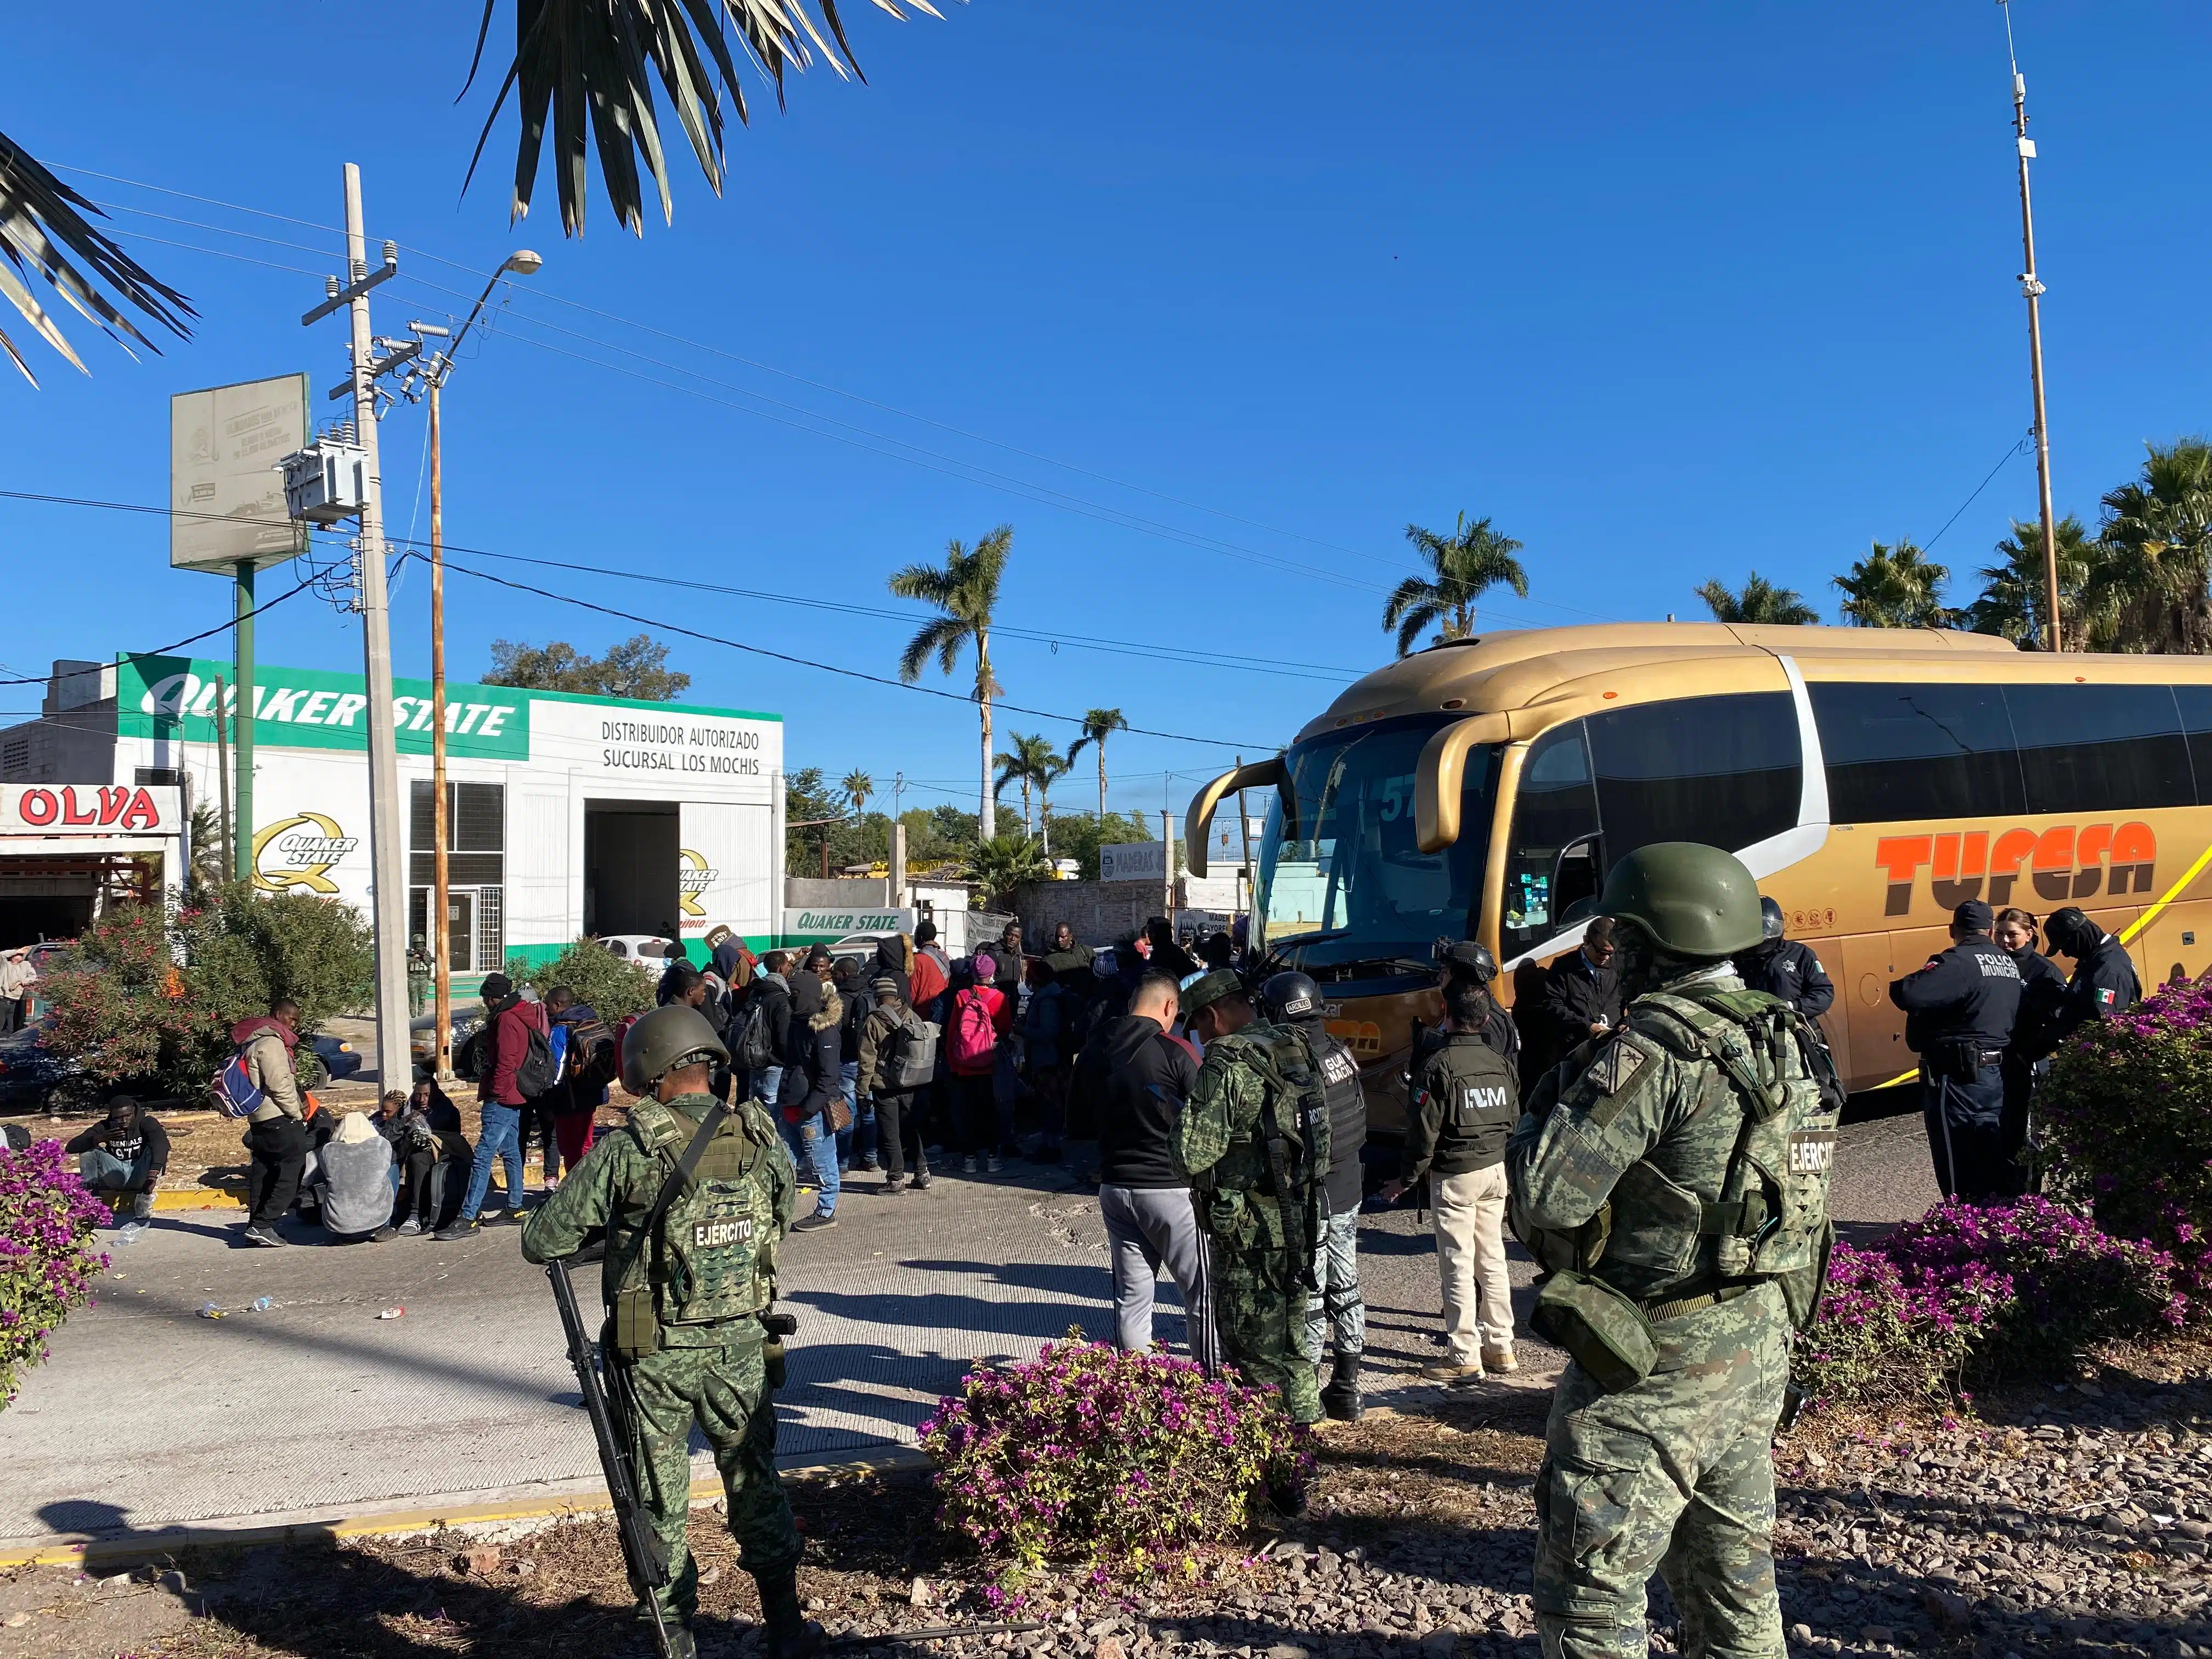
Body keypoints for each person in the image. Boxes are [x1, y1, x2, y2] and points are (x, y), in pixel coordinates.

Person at [1507, 842, 1837, 1659]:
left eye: (1618, 940)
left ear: (1646, 943)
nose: (1611, 956)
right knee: (1735, 1583)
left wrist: (1535, 1121)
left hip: (1656, 1353)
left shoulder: (1654, 1050)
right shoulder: (1786, 1032)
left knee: (1590, 1597)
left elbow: (1550, 1194)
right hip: (1760, 1336)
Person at [520, 1003, 820, 1659]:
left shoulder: (632, 1148)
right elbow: (780, 1220)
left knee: (657, 1494)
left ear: (651, 1073)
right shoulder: (763, 1138)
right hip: (743, 1344)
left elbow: (543, 1240)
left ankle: (675, 1637)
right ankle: (788, 1628)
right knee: (755, 1480)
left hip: (651, 1353)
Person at [1172, 968, 1328, 1426]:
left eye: (1198, 1026)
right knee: (1295, 1347)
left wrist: (1176, 1117)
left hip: (1248, 1233)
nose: (1200, 1037)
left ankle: (1272, 1472)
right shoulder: (1293, 1046)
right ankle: (1305, 1445)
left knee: (1253, 1356)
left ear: (1213, 1015)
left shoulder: (1228, 1063)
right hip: (1299, 1215)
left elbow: (1190, 1155)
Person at [1074, 970, 1218, 1366]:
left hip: (1115, 1187)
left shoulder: (1093, 1049)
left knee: (1132, 1300)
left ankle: (1136, 1393)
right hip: (1171, 1190)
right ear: (1170, 1006)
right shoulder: (1174, 1051)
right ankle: (1214, 1392)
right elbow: (1207, 1123)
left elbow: (1078, 1124)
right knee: (1204, 1295)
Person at [1384, 979, 1521, 1385]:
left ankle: (1463, 1355)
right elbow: (1514, 1118)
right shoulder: (1501, 1063)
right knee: (1493, 1259)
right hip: (1496, 1171)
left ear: (1446, 1011)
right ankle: (1502, 1348)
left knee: (1458, 1264)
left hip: (1456, 1175)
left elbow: (1422, 1133)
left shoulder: (1437, 1065)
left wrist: (1405, 1180)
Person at [1259, 970, 1368, 1420]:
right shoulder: (1339, 1051)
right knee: (1346, 1281)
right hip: (1350, 1186)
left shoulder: (1292, 1063)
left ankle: (1307, 1396)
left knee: (1310, 1291)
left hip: (1314, 1195)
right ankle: (1348, 1386)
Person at [1891, 899, 2024, 1201]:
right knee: (1989, 1152)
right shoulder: (2005, 962)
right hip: (1992, 1073)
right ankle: (1992, 1224)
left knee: (1956, 1160)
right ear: (1990, 930)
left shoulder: (1958, 962)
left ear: (1953, 929)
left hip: (1957, 1075)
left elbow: (1907, 992)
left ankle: (1960, 1230)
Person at [438, 972, 547, 1239]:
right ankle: (514, 1207)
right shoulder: (518, 1013)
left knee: (484, 1154)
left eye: (485, 997)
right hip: (515, 1093)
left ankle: (468, 1217)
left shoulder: (506, 1019)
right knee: (510, 1151)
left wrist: (496, 1092)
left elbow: (507, 1062)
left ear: (490, 998)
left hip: (503, 1095)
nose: (485, 1002)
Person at [1995, 907, 2066, 1195]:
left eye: (2012, 934)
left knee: (2026, 1133)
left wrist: (2030, 1052)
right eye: (1999, 934)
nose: (2005, 941)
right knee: (2003, 1131)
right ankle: (2003, 1192)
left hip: (2027, 1062)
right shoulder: (1994, 963)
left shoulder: (2043, 970)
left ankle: (2028, 1197)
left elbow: (2058, 1019)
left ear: (2029, 934)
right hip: (1999, 1061)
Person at [235, 998, 307, 1248]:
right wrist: (296, 1113)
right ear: (278, 1015)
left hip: (258, 1119)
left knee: (263, 1172)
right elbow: (279, 1084)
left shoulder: (252, 1042)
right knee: (292, 1170)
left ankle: (255, 1225)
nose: (294, 1024)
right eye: (292, 1018)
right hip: (278, 1116)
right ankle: (264, 1225)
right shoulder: (272, 1043)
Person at [778, 949, 843, 1229]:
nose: (789, 998)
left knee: (821, 1162)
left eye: (794, 994)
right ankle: (775, 1209)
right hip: (793, 1103)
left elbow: (829, 1079)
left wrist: (808, 1108)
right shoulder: (797, 1022)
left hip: (811, 1108)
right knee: (784, 1162)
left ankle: (827, 1210)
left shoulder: (824, 1029)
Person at [855, 970, 933, 1192]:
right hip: (912, 1084)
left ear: (878, 998)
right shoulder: (911, 1015)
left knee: (891, 1134)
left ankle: (896, 1180)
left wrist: (862, 1090)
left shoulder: (873, 1020)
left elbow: (866, 1059)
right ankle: (922, 1173)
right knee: (912, 1129)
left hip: (885, 1086)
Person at [947, 952, 1015, 1173]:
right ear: (992, 973)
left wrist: (952, 1059)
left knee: (968, 1113)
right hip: (990, 1063)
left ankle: (969, 1160)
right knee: (991, 1111)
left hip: (964, 1065)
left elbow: (953, 1031)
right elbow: (1005, 1030)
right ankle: (993, 1159)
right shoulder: (999, 998)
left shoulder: (961, 996)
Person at [1531, 918, 1622, 1081]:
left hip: (1613, 1050)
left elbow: (1632, 999)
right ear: (1586, 940)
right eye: (1601, 952)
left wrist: (1625, 1024)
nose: (1606, 958)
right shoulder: (1563, 967)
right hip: (1575, 1051)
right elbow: (1552, 1005)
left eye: (1611, 953)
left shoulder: (1619, 967)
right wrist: (1587, 1027)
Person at [2040, 905, 2143, 1044]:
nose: (2066, 954)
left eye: (2064, 945)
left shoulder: (2106, 971)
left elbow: (2101, 1025)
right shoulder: (2101, 958)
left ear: (2079, 935)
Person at [66, 1096, 170, 1220]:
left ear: (134, 1112)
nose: (124, 1121)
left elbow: (161, 1144)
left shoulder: (147, 1122)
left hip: (140, 1174)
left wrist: (153, 1174)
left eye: (128, 1116)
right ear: (112, 1115)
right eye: (118, 1118)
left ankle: (143, 1201)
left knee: (155, 1146)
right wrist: (100, 1138)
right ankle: (91, 1199)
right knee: (89, 1151)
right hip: (115, 1175)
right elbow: (71, 1147)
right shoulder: (105, 1126)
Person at [1732, 898, 1836, 1021]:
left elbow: (1823, 993)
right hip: (1754, 1030)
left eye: (1768, 929)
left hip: (1794, 1028)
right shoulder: (1734, 958)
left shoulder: (1800, 954)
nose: (1763, 936)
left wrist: (1792, 1006)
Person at [1424, 937, 1518, 1069]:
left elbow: (1480, 1075)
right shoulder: (1479, 1011)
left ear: (1459, 978)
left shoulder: (1478, 1020)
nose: (1439, 977)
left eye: (1444, 972)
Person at [315, 1110, 397, 1242]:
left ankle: (346, 1233)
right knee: (392, 1168)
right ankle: (386, 1226)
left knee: (334, 1181)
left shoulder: (329, 1151)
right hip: (376, 1221)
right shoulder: (381, 1145)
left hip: (338, 1225)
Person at [832, 957, 878, 1172]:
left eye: (836, 973)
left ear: (844, 974)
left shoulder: (839, 998)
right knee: (868, 1108)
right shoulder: (870, 991)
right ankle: (871, 1158)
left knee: (845, 1111)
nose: (833, 976)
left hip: (846, 1060)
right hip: (868, 1060)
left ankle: (842, 1162)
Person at [376, 1088, 442, 1234]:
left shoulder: (411, 1121)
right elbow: (383, 1138)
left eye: (388, 1111)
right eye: (383, 1110)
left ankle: (413, 1214)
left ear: (399, 1110)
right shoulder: (382, 1121)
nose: (384, 1114)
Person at [748, 952, 795, 1110]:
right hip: (774, 1063)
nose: (790, 967)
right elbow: (783, 1035)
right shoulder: (782, 997)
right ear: (782, 968)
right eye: (789, 964)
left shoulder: (755, 991)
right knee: (772, 1107)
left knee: (756, 1107)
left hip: (754, 1057)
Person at [0, 946, 38, 1035]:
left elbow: (33, 977)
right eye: (19, 954)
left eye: (22, 954)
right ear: (12, 956)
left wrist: (21, 982)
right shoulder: (5, 965)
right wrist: (17, 951)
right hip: (3, 998)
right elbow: (2, 954)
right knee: (1, 1022)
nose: (22, 955)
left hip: (15, 999)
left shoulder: (26, 965)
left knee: (11, 1025)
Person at [407, 934, 433, 1017]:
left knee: (422, 998)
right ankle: (413, 1015)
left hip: (424, 977)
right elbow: (405, 962)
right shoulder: (409, 952)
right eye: (417, 943)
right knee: (413, 998)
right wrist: (414, 957)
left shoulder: (426, 952)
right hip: (413, 977)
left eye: (420, 943)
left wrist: (424, 957)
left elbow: (429, 963)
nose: (419, 945)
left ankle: (421, 1015)